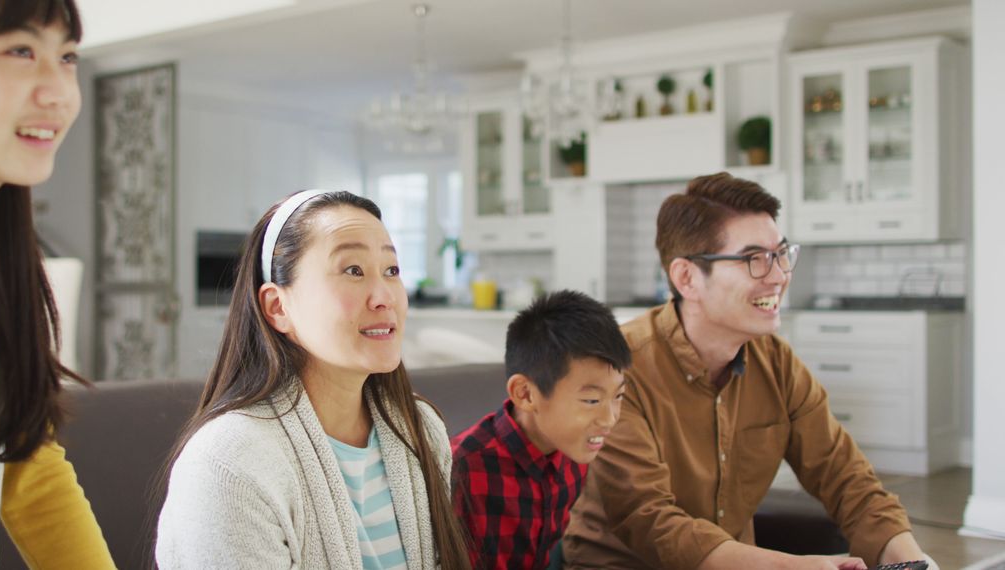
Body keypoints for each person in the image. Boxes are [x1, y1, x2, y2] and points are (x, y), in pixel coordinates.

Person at [562, 172, 934, 570]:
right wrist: (791, 567)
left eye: (780, 254)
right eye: (753, 259)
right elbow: (650, 520)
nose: (778, 276)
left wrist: (913, 561)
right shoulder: (616, 368)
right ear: (687, 277)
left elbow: (848, 481)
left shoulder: (776, 362)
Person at [155, 190, 472, 569]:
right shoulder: (229, 463)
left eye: (391, 270)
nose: (384, 296)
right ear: (278, 307)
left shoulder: (420, 429)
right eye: (353, 270)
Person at [0, 0, 115, 567]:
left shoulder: (2, 266)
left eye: (67, 57)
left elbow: (25, 465)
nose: (58, 92)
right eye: (20, 50)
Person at [451, 290, 631, 569]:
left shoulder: (573, 451)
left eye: (618, 396)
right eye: (591, 400)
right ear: (525, 394)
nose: (609, 419)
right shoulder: (462, 470)